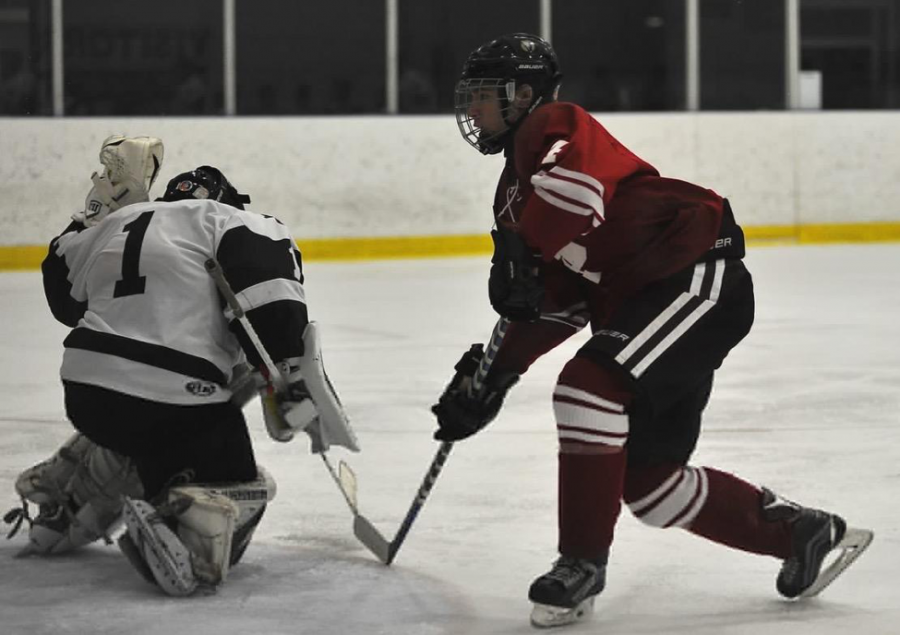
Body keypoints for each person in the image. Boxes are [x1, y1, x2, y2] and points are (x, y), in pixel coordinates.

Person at [431, 33, 873, 628]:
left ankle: (579, 563)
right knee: (652, 486)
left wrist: (522, 252)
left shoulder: (554, 126)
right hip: (645, 303)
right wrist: (493, 375)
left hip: (693, 278)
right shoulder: (512, 196)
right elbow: (555, 302)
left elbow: (578, 196)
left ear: (523, 95)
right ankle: (802, 534)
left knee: (588, 388)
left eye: (483, 96)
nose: (472, 110)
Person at [6, 137, 357, 596]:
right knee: (246, 489)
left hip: (86, 392)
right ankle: (185, 537)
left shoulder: (120, 220)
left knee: (143, 431)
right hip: (173, 401)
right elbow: (271, 304)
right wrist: (291, 379)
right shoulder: (232, 219)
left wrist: (96, 208)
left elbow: (62, 293)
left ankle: (67, 497)